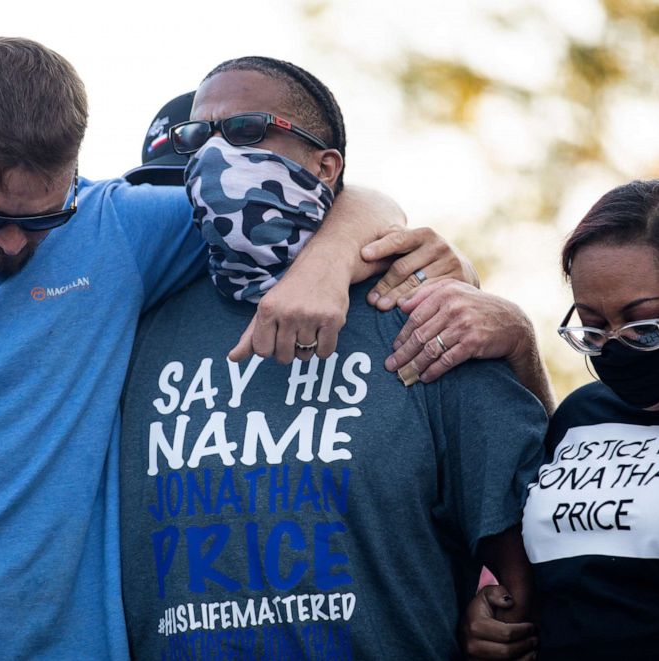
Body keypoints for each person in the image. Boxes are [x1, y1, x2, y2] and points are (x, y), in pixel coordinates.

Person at [0, 37, 472, 658]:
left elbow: (342, 196)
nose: (15, 242)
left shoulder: (118, 231)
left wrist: (338, 271)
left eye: (43, 217)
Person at [119, 56, 547, 659]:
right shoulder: (130, 324)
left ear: (325, 165)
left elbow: (533, 548)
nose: (214, 157)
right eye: (196, 139)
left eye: (245, 129)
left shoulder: (428, 319)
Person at [467, 178, 659, 660]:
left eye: (643, 322)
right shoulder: (581, 414)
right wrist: (493, 621)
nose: (616, 345)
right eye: (593, 326)